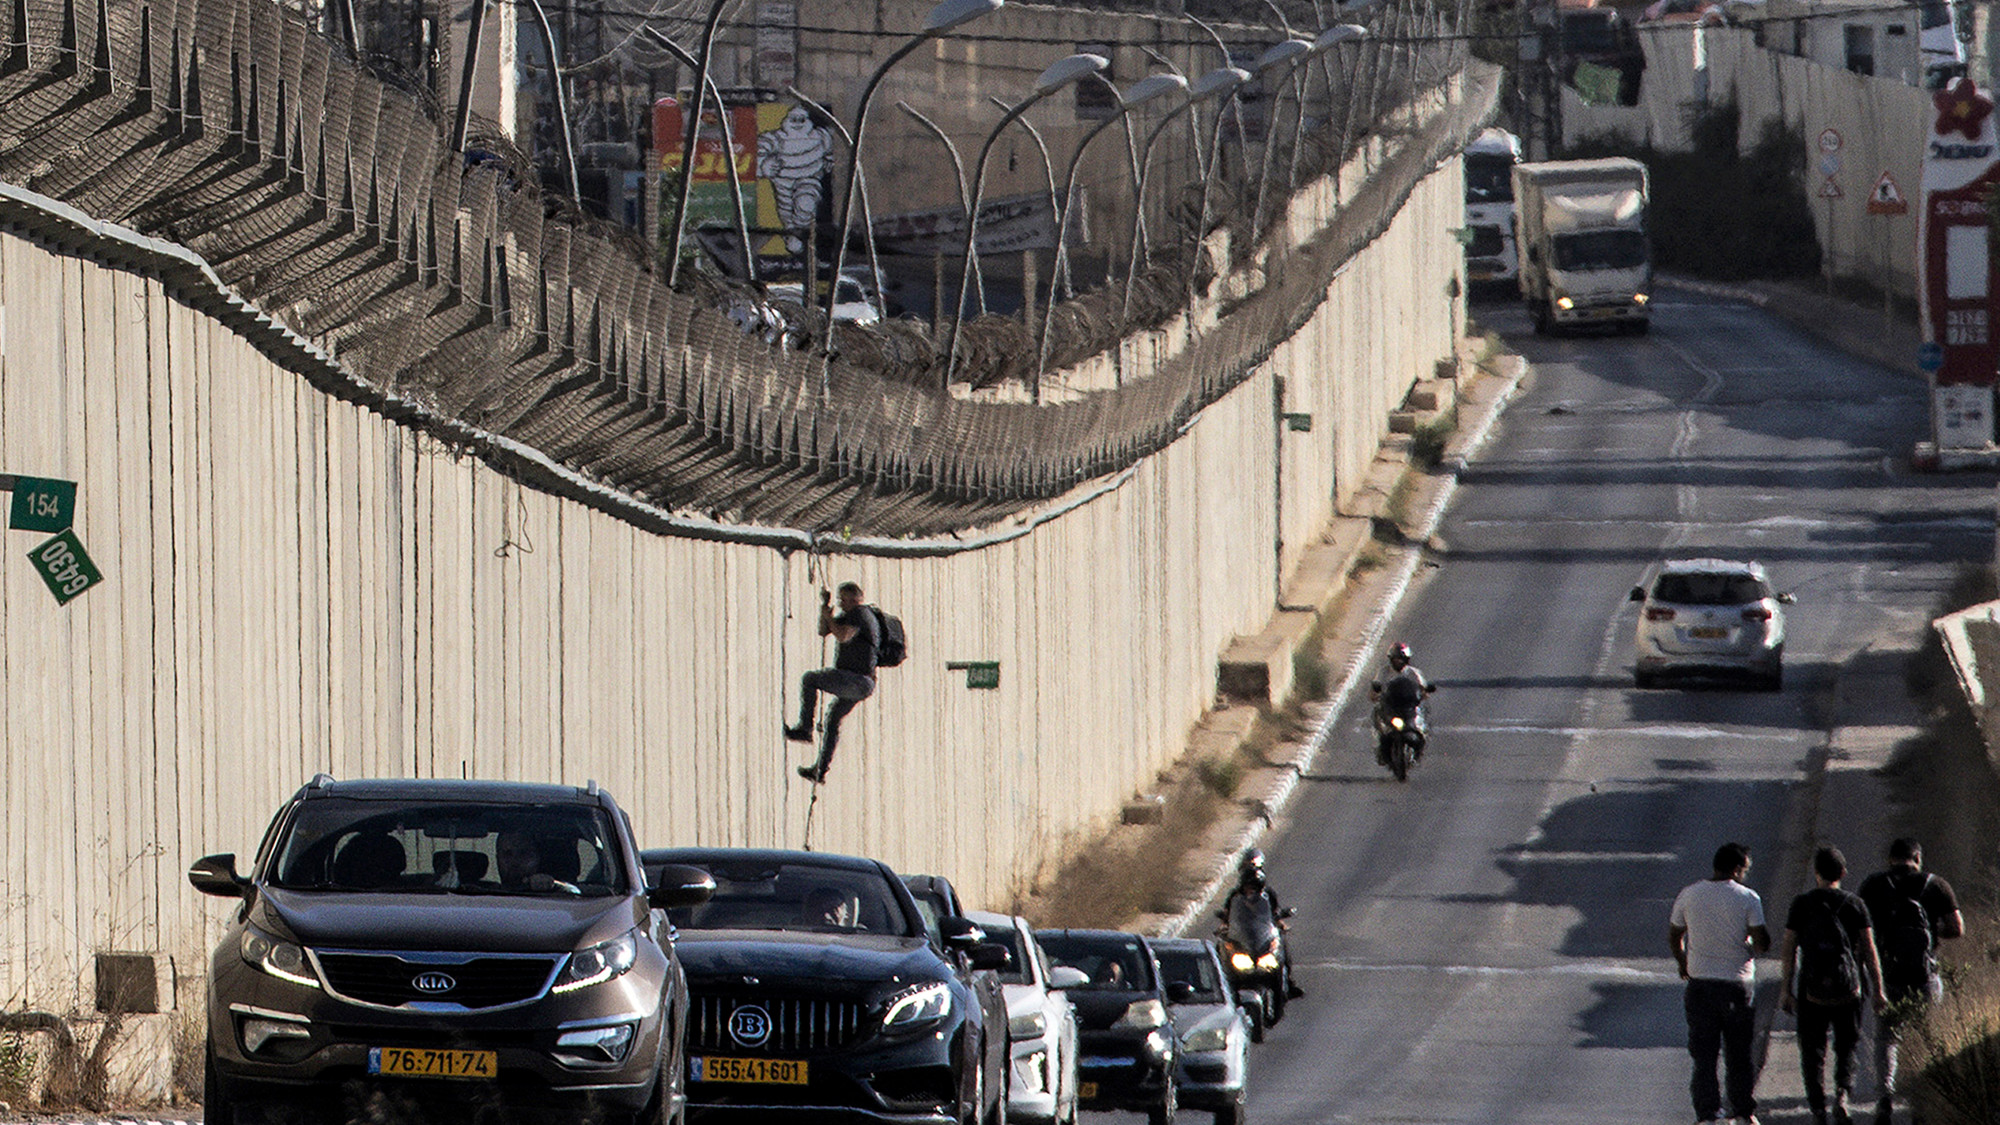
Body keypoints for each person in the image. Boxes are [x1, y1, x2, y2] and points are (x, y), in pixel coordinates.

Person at [1858, 838, 1963, 1125]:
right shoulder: (1935, 885)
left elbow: (1859, 931)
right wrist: (1930, 932)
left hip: (1888, 976)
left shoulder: (1873, 886)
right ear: (1917, 858)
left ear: (1890, 858)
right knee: (1929, 1037)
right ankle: (1924, 1098)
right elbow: (1957, 928)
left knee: (1887, 1039)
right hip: (1925, 975)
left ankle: (1885, 1098)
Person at [1779, 847, 1887, 1125]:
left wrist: (1786, 989)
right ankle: (1842, 1094)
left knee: (1812, 1049)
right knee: (1847, 1045)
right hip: (1849, 989)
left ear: (1816, 873)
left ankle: (1817, 1108)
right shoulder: (1855, 904)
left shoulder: (1801, 904)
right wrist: (1878, 989)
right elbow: (1869, 949)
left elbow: (1789, 948)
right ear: (1843, 873)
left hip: (1810, 989)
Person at [1670, 842, 1771, 1125]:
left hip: (1700, 984)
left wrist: (1683, 962)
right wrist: (1749, 942)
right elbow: (1762, 942)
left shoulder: (1689, 894)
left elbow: (1675, 933)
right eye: (1746, 870)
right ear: (1738, 869)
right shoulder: (1748, 898)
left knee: (1704, 1056)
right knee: (1738, 1055)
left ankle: (1707, 1115)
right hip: (1736, 986)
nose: (1746, 875)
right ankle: (1743, 1112)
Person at [786, 581, 880, 783]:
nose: (841, 603)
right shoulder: (851, 616)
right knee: (832, 719)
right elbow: (823, 631)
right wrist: (824, 611)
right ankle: (820, 769)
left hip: (856, 680)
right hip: (861, 683)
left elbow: (843, 635)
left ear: (854, 599)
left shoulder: (860, 614)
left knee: (810, 679)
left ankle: (805, 728)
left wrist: (830, 618)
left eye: (843, 599)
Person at [1217, 849, 1304, 1000]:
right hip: (1242, 935)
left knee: (1282, 948)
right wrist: (1224, 926)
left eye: (1254, 888)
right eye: (1248, 887)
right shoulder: (1235, 896)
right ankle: (1221, 987)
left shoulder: (1268, 895)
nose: (1250, 891)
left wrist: (1280, 924)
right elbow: (1227, 915)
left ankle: (1288, 983)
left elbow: (1274, 913)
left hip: (1262, 934)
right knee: (1221, 952)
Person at [1369, 642, 1432, 765]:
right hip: (1391, 707)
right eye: (1396, 658)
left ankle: (1418, 751)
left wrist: (1423, 693)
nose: (1398, 661)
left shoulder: (1413, 673)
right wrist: (1376, 694)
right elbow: (1374, 690)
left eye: (1401, 659)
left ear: (1406, 659)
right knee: (1380, 722)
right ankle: (1380, 750)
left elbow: (1423, 689)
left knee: (1420, 727)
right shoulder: (1384, 672)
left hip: (1408, 707)